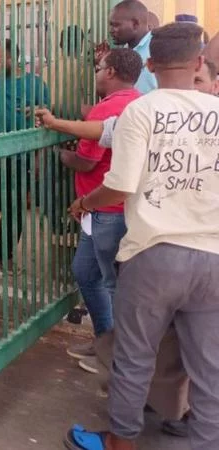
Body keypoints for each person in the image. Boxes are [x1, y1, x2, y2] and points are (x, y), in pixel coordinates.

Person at [64, 22, 219, 450]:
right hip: (213, 257)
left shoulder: (141, 111)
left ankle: (120, 443)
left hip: (154, 255)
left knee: (134, 357)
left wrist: (86, 202)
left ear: (150, 65)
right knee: (210, 368)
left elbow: (120, 186)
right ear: (199, 62)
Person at [50, 49, 143, 369]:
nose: (96, 73)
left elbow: (86, 161)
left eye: (99, 68)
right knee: (86, 272)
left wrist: (59, 154)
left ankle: (117, 357)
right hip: (112, 211)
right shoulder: (138, 102)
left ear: (111, 72)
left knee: (113, 285)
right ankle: (105, 341)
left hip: (106, 210)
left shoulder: (106, 108)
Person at [0, 38, 49, 277]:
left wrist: (38, 155)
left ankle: (6, 257)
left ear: (13, 59)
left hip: (19, 156)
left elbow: (46, 117)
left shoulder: (35, 84)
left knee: (14, 209)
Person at [107, 0, 156, 94]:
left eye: (116, 25)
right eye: (111, 25)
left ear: (135, 24)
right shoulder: (126, 49)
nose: (111, 30)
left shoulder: (155, 48)